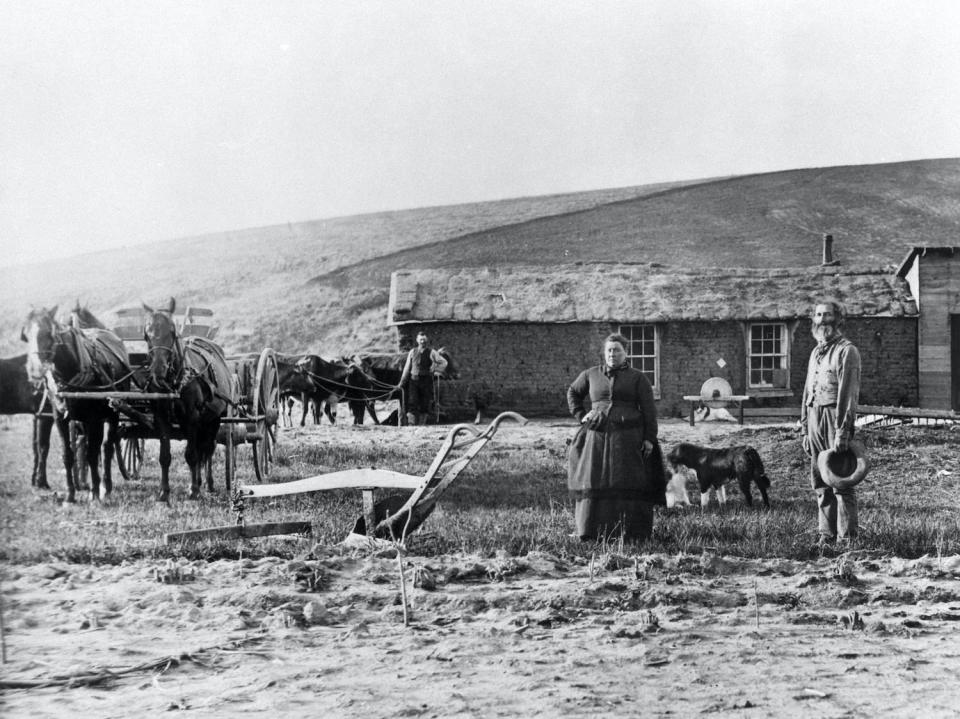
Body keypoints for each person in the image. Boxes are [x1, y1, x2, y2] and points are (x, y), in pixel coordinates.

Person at [566, 333, 666, 542]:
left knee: (628, 479)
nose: (613, 354)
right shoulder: (591, 374)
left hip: (628, 439)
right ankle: (590, 530)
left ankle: (632, 532)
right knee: (595, 478)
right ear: (604, 353)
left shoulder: (638, 378)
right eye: (609, 350)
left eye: (617, 350)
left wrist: (649, 438)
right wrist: (580, 414)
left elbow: (649, 410)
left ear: (626, 353)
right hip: (597, 437)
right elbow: (573, 392)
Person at [800, 299, 862, 552]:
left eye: (827, 315)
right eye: (818, 315)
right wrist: (805, 429)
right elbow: (806, 393)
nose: (822, 319)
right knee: (820, 481)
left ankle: (847, 540)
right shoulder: (816, 352)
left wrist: (842, 431)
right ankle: (826, 536)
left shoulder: (847, 351)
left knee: (841, 480)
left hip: (834, 419)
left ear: (838, 320)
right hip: (814, 418)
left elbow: (848, 395)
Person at [399, 331, 448, 425]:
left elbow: (444, 362)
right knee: (412, 402)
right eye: (421, 340)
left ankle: (422, 424)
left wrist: (435, 370)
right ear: (417, 341)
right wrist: (402, 381)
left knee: (424, 403)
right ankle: (411, 424)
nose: (422, 342)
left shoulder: (432, 352)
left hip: (426, 381)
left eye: (424, 340)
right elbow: (407, 368)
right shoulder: (412, 352)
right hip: (413, 381)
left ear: (427, 341)